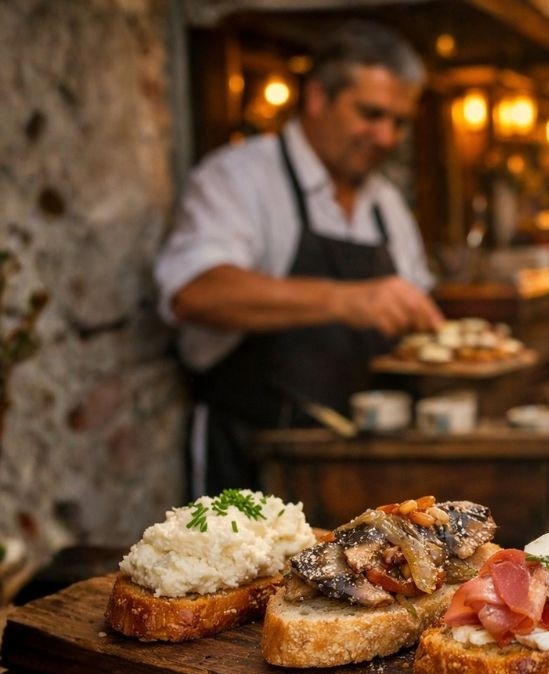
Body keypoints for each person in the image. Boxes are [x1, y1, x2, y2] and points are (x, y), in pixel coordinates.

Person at [154, 21, 443, 497]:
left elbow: (416, 317)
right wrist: (347, 299)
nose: (387, 136)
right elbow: (194, 291)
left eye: (399, 122)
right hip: (255, 464)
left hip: (361, 465)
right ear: (316, 98)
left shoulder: (385, 203)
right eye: (370, 114)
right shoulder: (240, 177)